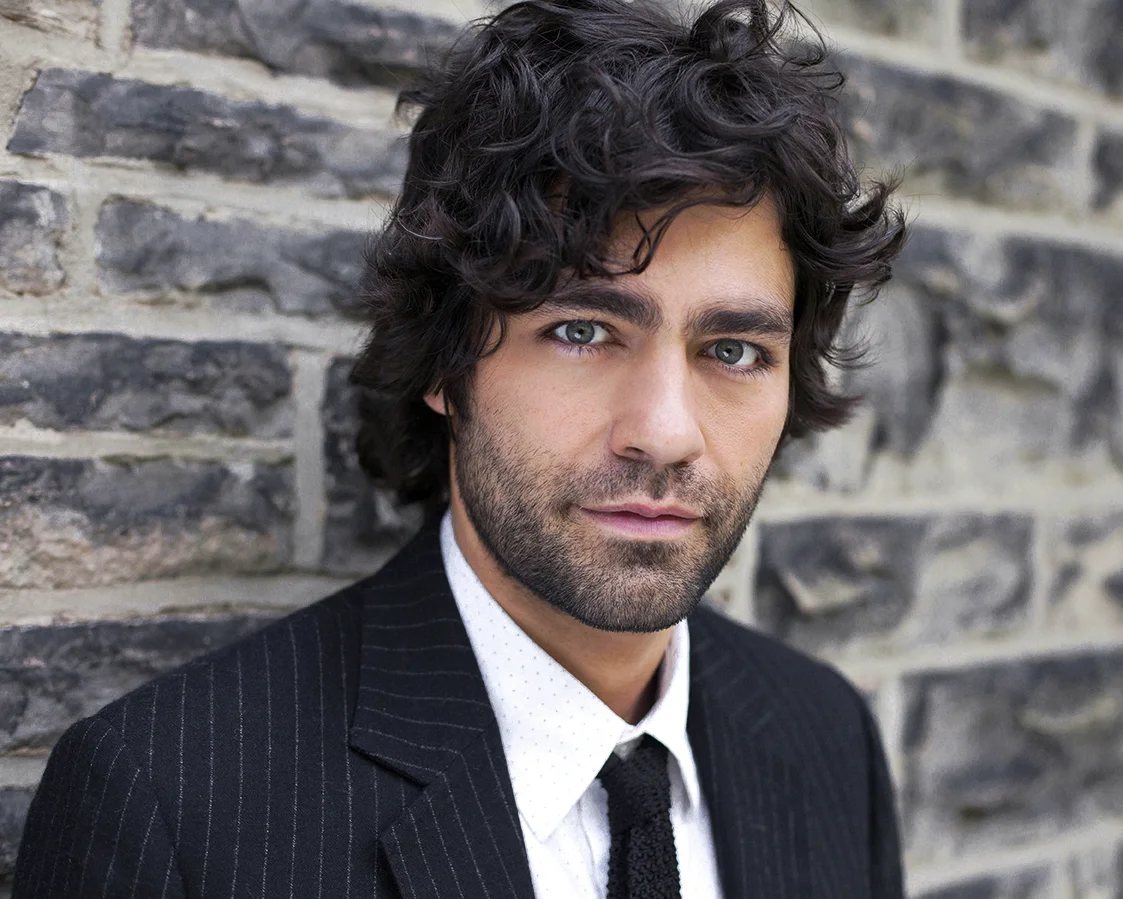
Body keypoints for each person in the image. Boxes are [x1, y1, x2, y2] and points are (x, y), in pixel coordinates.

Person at [13, 0, 908, 896]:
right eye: (582, 332)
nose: (666, 432)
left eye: (733, 351)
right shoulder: (171, 799)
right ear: (446, 359)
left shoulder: (824, 736)